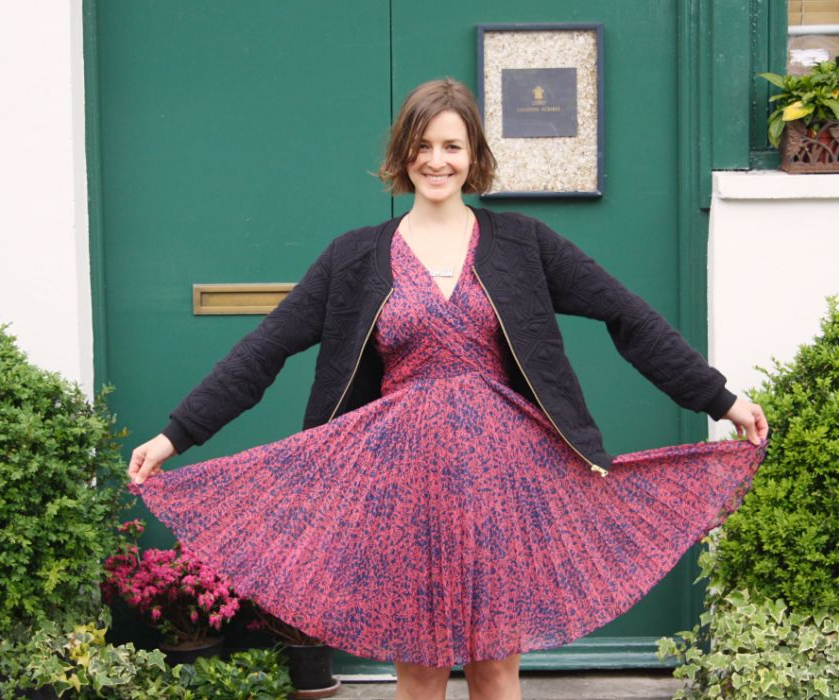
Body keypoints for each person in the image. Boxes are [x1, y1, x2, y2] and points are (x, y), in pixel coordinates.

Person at [128, 78, 767, 700]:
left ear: (473, 155)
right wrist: (174, 436)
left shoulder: (522, 243)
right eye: (423, 146)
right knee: (420, 680)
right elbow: (263, 350)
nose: (436, 161)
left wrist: (720, 400)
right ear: (403, 154)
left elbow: (628, 316)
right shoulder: (354, 257)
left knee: (494, 677)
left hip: (504, 483)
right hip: (400, 490)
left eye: (452, 146)